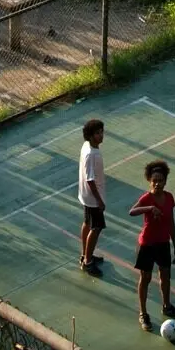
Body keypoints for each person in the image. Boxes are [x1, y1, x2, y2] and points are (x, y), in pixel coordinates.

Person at [128, 159, 175, 330]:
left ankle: (167, 305)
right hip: (147, 244)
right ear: (149, 181)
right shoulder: (146, 198)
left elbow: (171, 223)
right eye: (154, 180)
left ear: (165, 181)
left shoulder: (169, 198)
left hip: (163, 243)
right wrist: (149, 208)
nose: (157, 183)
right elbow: (132, 211)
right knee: (146, 278)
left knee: (165, 276)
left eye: (161, 180)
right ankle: (143, 313)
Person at [78, 117, 108, 274]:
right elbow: (90, 180)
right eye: (97, 133)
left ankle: (85, 254)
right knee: (96, 228)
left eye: (101, 132)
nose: (101, 135)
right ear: (90, 136)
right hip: (93, 199)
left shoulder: (86, 147)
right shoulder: (92, 154)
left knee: (87, 223)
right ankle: (88, 262)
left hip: (85, 196)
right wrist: (99, 200)